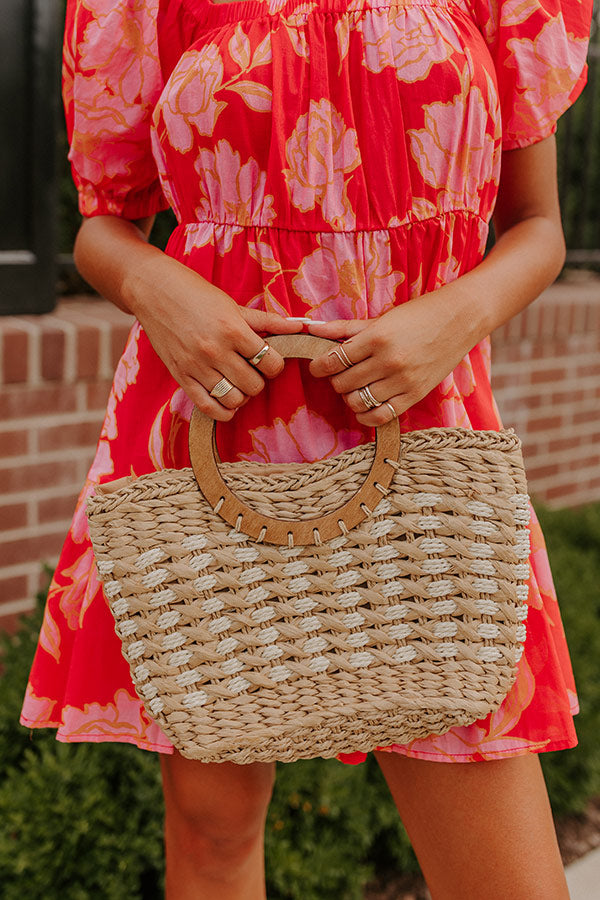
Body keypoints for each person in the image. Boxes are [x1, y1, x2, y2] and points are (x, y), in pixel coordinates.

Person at [21, 0, 592, 896]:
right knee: (212, 831)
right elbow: (104, 221)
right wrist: (152, 283)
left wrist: (455, 317)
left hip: (418, 436)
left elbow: (539, 226)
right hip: (211, 430)